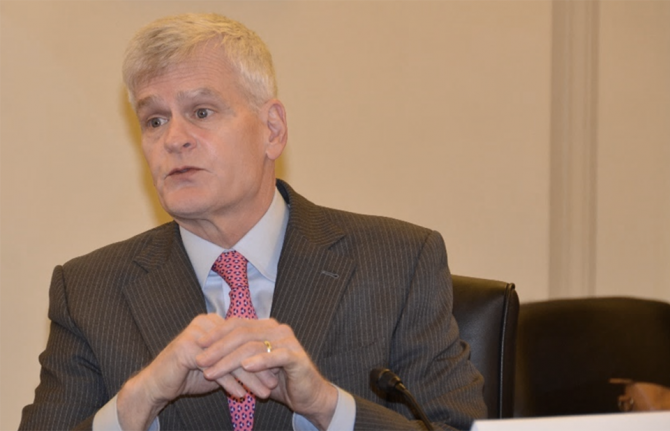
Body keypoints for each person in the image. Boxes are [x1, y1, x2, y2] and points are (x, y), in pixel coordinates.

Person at [19, 13, 486, 431]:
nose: (174, 139)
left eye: (202, 112)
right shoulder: (89, 291)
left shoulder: (398, 262)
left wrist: (328, 407)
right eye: (155, 120)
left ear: (272, 130)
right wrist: (137, 403)